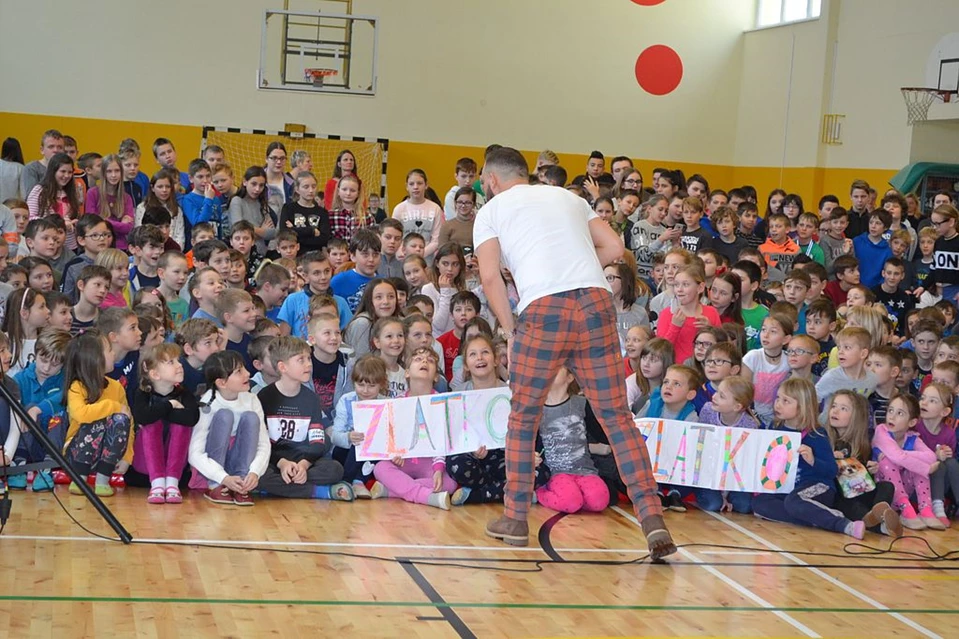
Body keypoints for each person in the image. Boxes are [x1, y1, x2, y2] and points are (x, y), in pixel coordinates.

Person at [473, 147, 674, 558]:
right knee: (617, 417)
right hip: (596, 303)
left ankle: (514, 518)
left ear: (492, 180)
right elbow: (616, 249)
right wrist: (578, 267)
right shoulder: (567, 196)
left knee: (524, 416)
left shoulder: (491, 210)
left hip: (544, 309)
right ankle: (652, 518)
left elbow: (490, 276)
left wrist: (510, 330)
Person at [753, 378, 869, 539]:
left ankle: (842, 524)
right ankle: (816, 518)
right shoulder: (775, 427)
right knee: (760, 504)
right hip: (789, 489)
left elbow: (831, 470)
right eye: (778, 398)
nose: (778, 404)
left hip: (818, 486)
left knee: (794, 502)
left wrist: (813, 460)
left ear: (802, 407)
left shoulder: (817, 434)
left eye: (785, 401)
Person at [255, 336, 353, 501]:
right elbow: (261, 441)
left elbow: (317, 440)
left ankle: (278, 488)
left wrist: (304, 464)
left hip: (304, 458)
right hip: (275, 460)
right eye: (301, 360)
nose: (309, 364)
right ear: (282, 367)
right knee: (259, 473)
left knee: (335, 469)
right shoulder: (265, 397)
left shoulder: (311, 398)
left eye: (309, 358)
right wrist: (282, 463)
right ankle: (319, 492)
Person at [369, 347, 459, 509]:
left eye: (430, 361)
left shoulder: (441, 402)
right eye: (418, 359)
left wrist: (438, 468)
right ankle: (426, 497)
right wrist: (393, 452)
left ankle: (392, 491)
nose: (424, 361)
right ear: (407, 373)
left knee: (450, 483)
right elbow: (389, 436)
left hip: (430, 463)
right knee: (380, 468)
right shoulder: (396, 402)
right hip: (403, 462)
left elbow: (442, 441)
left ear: (436, 376)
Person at [188, 351, 270, 505]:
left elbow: (263, 442)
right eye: (239, 372)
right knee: (224, 416)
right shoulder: (208, 403)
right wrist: (221, 477)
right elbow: (194, 453)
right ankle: (215, 485)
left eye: (244, 368)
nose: (247, 374)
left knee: (251, 418)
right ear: (222, 383)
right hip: (215, 471)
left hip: (240, 465)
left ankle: (241, 483)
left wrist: (254, 472)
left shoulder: (252, 399)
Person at [63, 330, 133, 497]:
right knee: (96, 419)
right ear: (94, 359)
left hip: (105, 457)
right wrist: (110, 406)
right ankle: (79, 477)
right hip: (77, 453)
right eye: (109, 350)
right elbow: (81, 415)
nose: (114, 352)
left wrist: (127, 457)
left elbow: (130, 424)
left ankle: (103, 479)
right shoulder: (77, 387)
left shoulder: (116, 387)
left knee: (121, 419)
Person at [825, 390, 902, 537]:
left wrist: (871, 470)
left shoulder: (862, 444)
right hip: (842, 495)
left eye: (843, 408)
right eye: (834, 406)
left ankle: (880, 512)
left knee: (887, 486)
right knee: (846, 504)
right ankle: (881, 526)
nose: (835, 411)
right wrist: (831, 458)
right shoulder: (824, 438)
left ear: (856, 417)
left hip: (861, 491)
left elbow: (861, 476)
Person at [131, 343, 200, 504]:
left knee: (181, 425)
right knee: (151, 424)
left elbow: (191, 418)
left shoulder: (183, 392)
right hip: (145, 464)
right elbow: (143, 417)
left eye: (178, 360)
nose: (179, 365)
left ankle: (172, 483)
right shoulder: (142, 393)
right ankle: (157, 484)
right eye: (171, 362)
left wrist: (161, 412)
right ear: (155, 374)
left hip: (173, 466)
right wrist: (170, 405)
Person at [873, 393, 944, 530]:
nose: (892, 416)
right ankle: (906, 511)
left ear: (911, 422)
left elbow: (931, 457)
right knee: (887, 461)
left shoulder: (912, 438)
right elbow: (896, 457)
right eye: (891, 411)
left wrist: (906, 455)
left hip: (905, 488)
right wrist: (924, 468)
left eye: (900, 413)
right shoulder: (881, 431)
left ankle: (925, 509)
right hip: (884, 490)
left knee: (911, 465)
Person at [392, 169, 444, 258]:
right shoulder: (399, 209)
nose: (415, 187)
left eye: (419, 183)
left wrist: (421, 254)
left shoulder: (435, 209)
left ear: (426, 185)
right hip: (404, 259)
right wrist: (403, 252)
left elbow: (436, 240)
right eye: (411, 184)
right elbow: (395, 236)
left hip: (427, 261)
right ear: (406, 186)